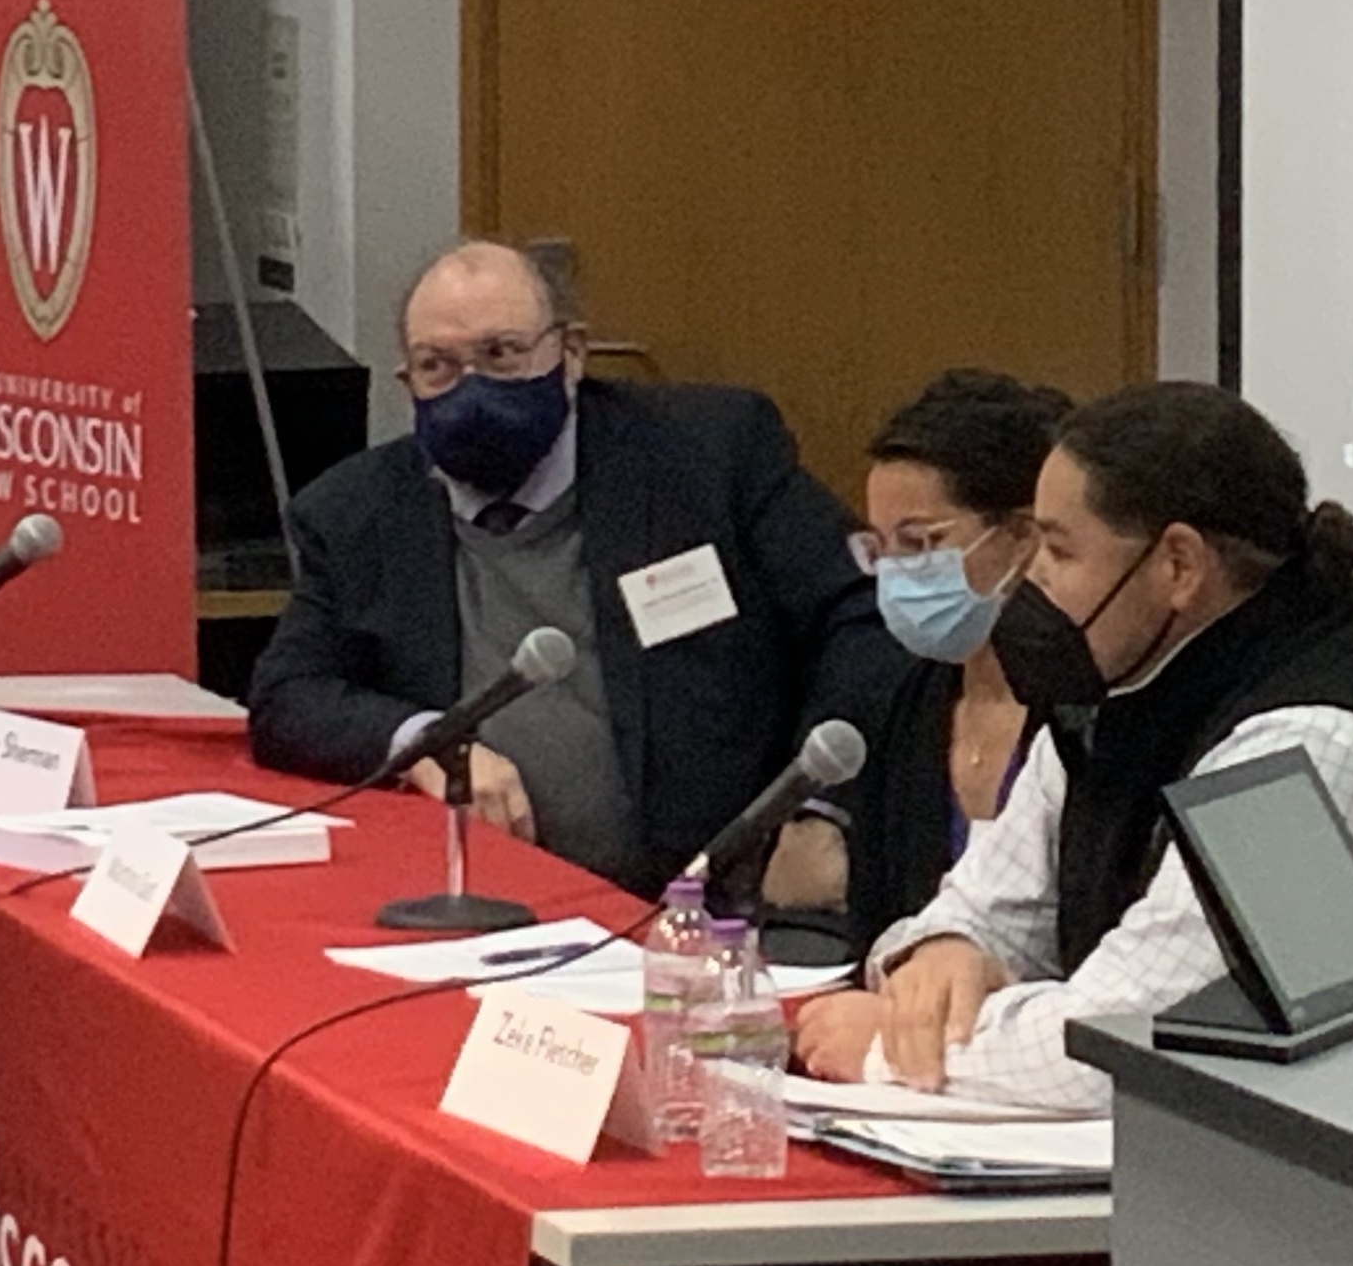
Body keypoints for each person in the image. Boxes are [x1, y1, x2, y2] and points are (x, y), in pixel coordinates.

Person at [790, 381, 1353, 1111]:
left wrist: (887, 1048)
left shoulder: (1309, 747)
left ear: (1178, 566)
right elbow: (983, 909)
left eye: (1058, 550)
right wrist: (945, 952)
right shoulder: (1116, 685)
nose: (1033, 579)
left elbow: (1133, 1043)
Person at [246, 238, 904, 894]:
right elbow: (288, 695)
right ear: (406, 382)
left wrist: (818, 808)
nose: (471, 387)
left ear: (571, 352)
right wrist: (429, 745)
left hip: (718, 893)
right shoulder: (355, 513)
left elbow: (858, 616)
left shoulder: (708, 456)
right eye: (437, 366)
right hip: (476, 900)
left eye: (502, 353)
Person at [760, 369, 1071, 945]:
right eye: (880, 547)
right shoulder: (897, 700)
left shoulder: (1087, 716)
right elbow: (874, 922)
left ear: (1023, 536)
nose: (895, 572)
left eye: (920, 542)